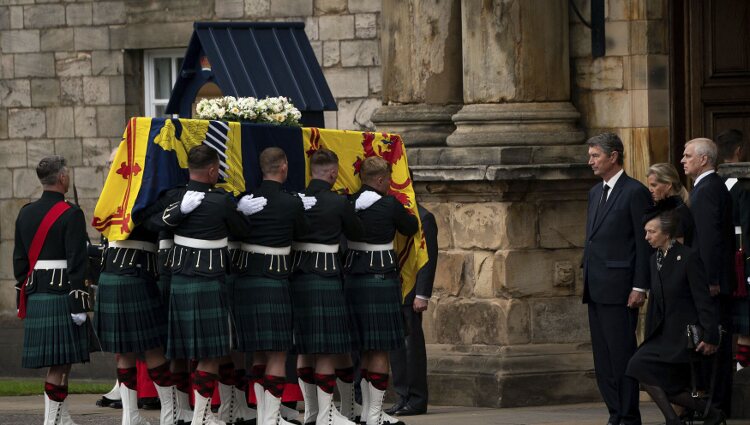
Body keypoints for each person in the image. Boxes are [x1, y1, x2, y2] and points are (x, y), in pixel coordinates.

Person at [137, 145, 265, 425]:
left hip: (181, 281)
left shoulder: (175, 197)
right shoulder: (220, 202)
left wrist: (176, 212)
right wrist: (240, 209)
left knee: (183, 351)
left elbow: (149, 222)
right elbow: (242, 231)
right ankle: (201, 417)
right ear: (211, 170)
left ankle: (178, 413)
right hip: (209, 282)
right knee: (210, 353)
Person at [231, 147, 312, 425]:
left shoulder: (245, 200)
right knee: (277, 351)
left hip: (245, 280)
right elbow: (302, 234)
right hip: (275, 280)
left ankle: (264, 415)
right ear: (284, 167)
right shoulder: (291, 203)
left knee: (256, 350)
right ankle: (270, 418)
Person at [626, 208, 723, 425]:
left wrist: (710, 336)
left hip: (682, 335)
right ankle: (704, 413)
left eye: (651, 232)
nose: (646, 237)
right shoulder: (655, 260)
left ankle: (677, 418)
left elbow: (703, 300)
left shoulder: (688, 257)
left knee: (640, 368)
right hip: (663, 334)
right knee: (646, 373)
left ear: (666, 233)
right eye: (645, 232)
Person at [289, 149, 365, 425]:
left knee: (305, 347)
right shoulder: (337, 202)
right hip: (325, 276)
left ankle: (311, 411)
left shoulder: (295, 199)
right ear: (333, 173)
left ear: (312, 171)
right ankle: (325, 414)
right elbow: (357, 234)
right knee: (326, 348)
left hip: (297, 275)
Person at [14, 156, 91, 424]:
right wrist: (80, 302)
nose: (68, 178)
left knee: (61, 362)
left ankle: (62, 416)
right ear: (61, 178)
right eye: (67, 175)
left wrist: (24, 293)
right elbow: (77, 261)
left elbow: (19, 261)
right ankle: (51, 420)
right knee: (59, 364)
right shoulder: (71, 213)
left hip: (37, 293)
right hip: (62, 294)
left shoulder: (25, 212)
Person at [582, 133, 652, 425]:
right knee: (603, 359)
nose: (590, 162)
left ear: (614, 156)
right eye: (590, 156)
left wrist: (639, 285)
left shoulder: (635, 191)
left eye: (595, 155)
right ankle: (614, 412)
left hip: (621, 289)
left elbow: (642, 242)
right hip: (595, 287)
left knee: (622, 355)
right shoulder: (595, 193)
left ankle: (627, 415)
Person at [345, 156, 419, 425]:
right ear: (379, 180)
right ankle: (374, 414)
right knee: (379, 350)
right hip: (380, 279)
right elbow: (411, 227)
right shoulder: (389, 204)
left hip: (353, 278)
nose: (390, 184)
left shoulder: (349, 203)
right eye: (388, 179)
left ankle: (366, 411)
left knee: (364, 347)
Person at [682, 138, 735, 415]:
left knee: (714, 344)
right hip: (712, 279)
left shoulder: (706, 190)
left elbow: (709, 239)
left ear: (704, 159)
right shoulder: (709, 187)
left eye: (688, 155)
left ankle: (714, 405)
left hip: (710, 283)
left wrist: (711, 279)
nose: (683, 160)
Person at [386, 204, 438, 417]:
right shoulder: (394, 214)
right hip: (395, 288)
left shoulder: (424, 217)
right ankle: (402, 396)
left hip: (412, 291)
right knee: (397, 348)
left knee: (412, 347)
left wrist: (422, 294)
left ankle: (416, 398)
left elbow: (428, 258)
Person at [715, 129, 750, 367]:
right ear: (739, 150)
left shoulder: (712, 183)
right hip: (740, 257)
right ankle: (740, 369)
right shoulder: (744, 186)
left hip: (720, 256)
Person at [646, 163, 695, 246]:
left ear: (668, 185)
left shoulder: (678, 212)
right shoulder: (665, 209)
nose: (650, 190)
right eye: (649, 185)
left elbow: (677, 252)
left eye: (654, 185)